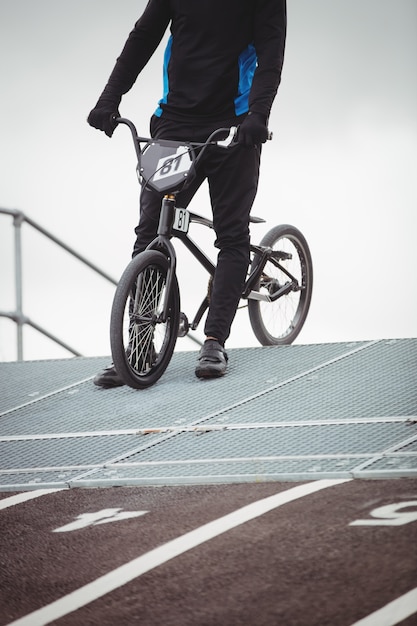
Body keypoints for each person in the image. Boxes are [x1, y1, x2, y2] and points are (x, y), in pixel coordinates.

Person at [88, 0, 287, 387]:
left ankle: (214, 341)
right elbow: (142, 38)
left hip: (234, 127)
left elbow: (270, 56)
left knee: (231, 236)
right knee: (150, 234)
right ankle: (140, 347)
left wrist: (258, 116)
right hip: (175, 126)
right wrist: (109, 98)